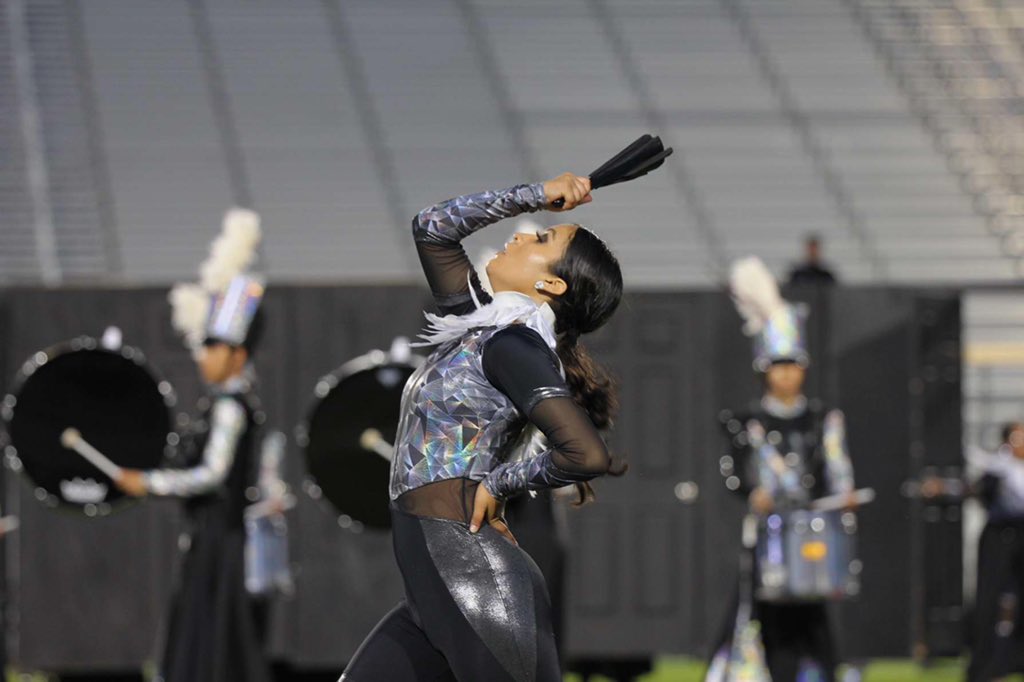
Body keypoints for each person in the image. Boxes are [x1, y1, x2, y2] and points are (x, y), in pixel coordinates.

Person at [340, 173, 623, 681]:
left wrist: (499, 483)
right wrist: (534, 195)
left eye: (540, 239)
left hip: (480, 584)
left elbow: (586, 453)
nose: (520, 233)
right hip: (434, 589)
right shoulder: (481, 325)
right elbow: (432, 229)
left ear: (551, 285)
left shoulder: (514, 346)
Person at [115, 210, 274, 682]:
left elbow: (212, 473)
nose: (203, 355)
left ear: (238, 355)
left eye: (214, 346)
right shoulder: (228, 403)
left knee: (215, 642)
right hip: (213, 539)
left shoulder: (230, 407)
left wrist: (149, 481)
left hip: (219, 543)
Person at [707, 257, 856, 682]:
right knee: (764, 614)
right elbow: (733, 471)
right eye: (778, 366)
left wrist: (842, 498)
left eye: (793, 365)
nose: (786, 375)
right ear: (764, 370)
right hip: (767, 537)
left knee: (814, 619)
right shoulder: (748, 423)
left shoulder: (823, 419)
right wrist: (753, 492)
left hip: (813, 534)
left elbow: (837, 468)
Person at [965, 421, 1024, 681]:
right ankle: (987, 666)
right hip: (1001, 536)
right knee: (992, 602)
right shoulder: (999, 467)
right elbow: (982, 492)